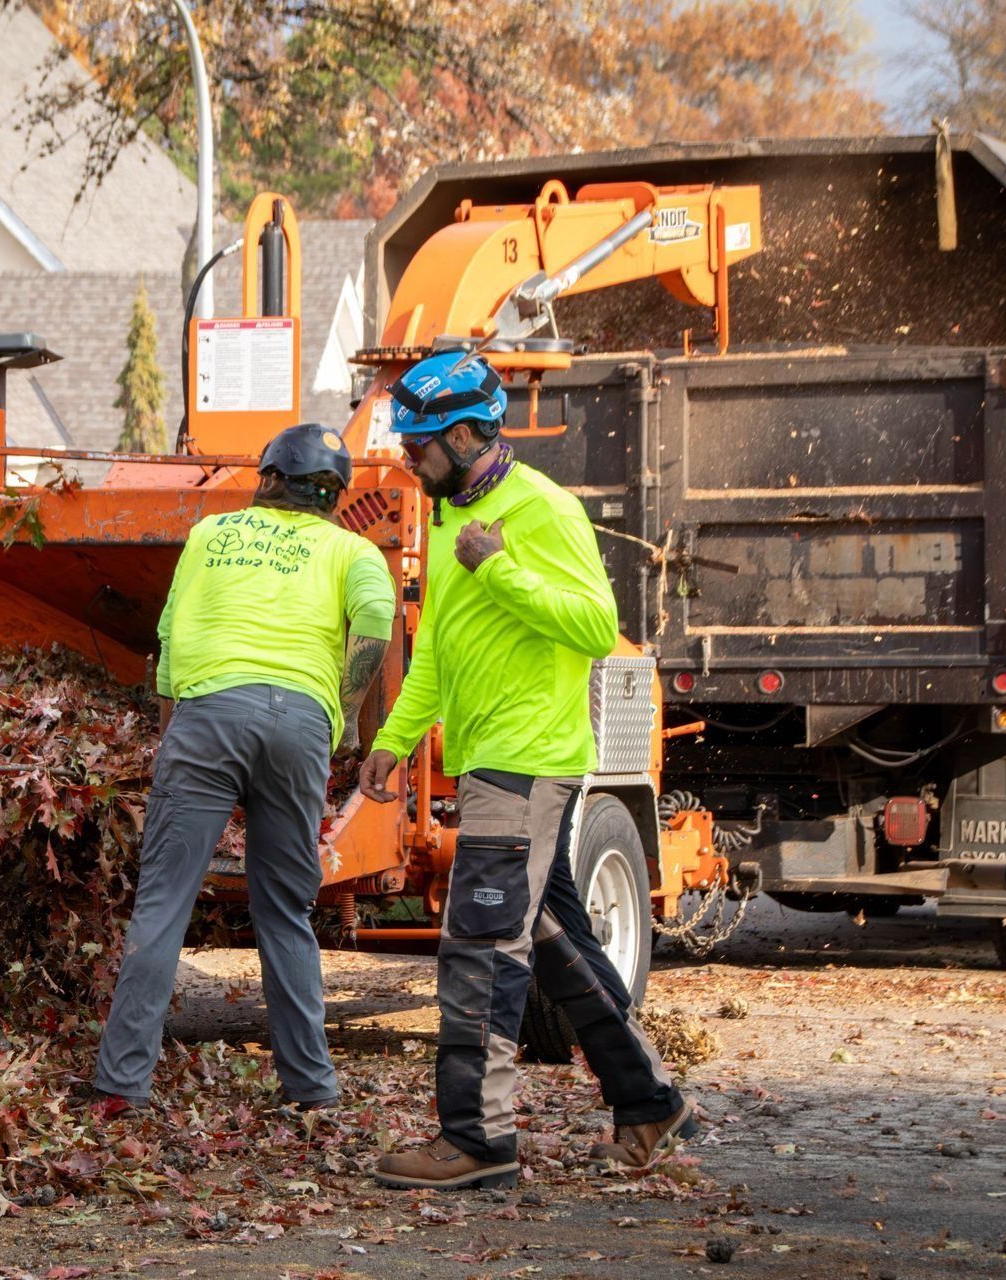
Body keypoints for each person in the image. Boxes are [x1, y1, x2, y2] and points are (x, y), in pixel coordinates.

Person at [359, 352, 694, 1191]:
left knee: (479, 946)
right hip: (491, 763)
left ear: (467, 435)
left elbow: (594, 625)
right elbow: (436, 647)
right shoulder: (449, 519)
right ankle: (647, 1101)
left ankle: (478, 1138)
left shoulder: (541, 510)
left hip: (526, 760)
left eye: (419, 445)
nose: (407, 459)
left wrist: (497, 567)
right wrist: (396, 740)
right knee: (553, 943)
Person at [93, 424, 395, 1116]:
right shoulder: (353, 551)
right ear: (333, 497)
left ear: (267, 479)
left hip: (207, 715)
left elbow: (170, 635)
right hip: (299, 727)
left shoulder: (210, 535)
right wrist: (345, 713)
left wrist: (173, 732)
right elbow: (375, 625)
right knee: (284, 910)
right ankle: (311, 1090)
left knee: (163, 905)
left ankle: (120, 1088)